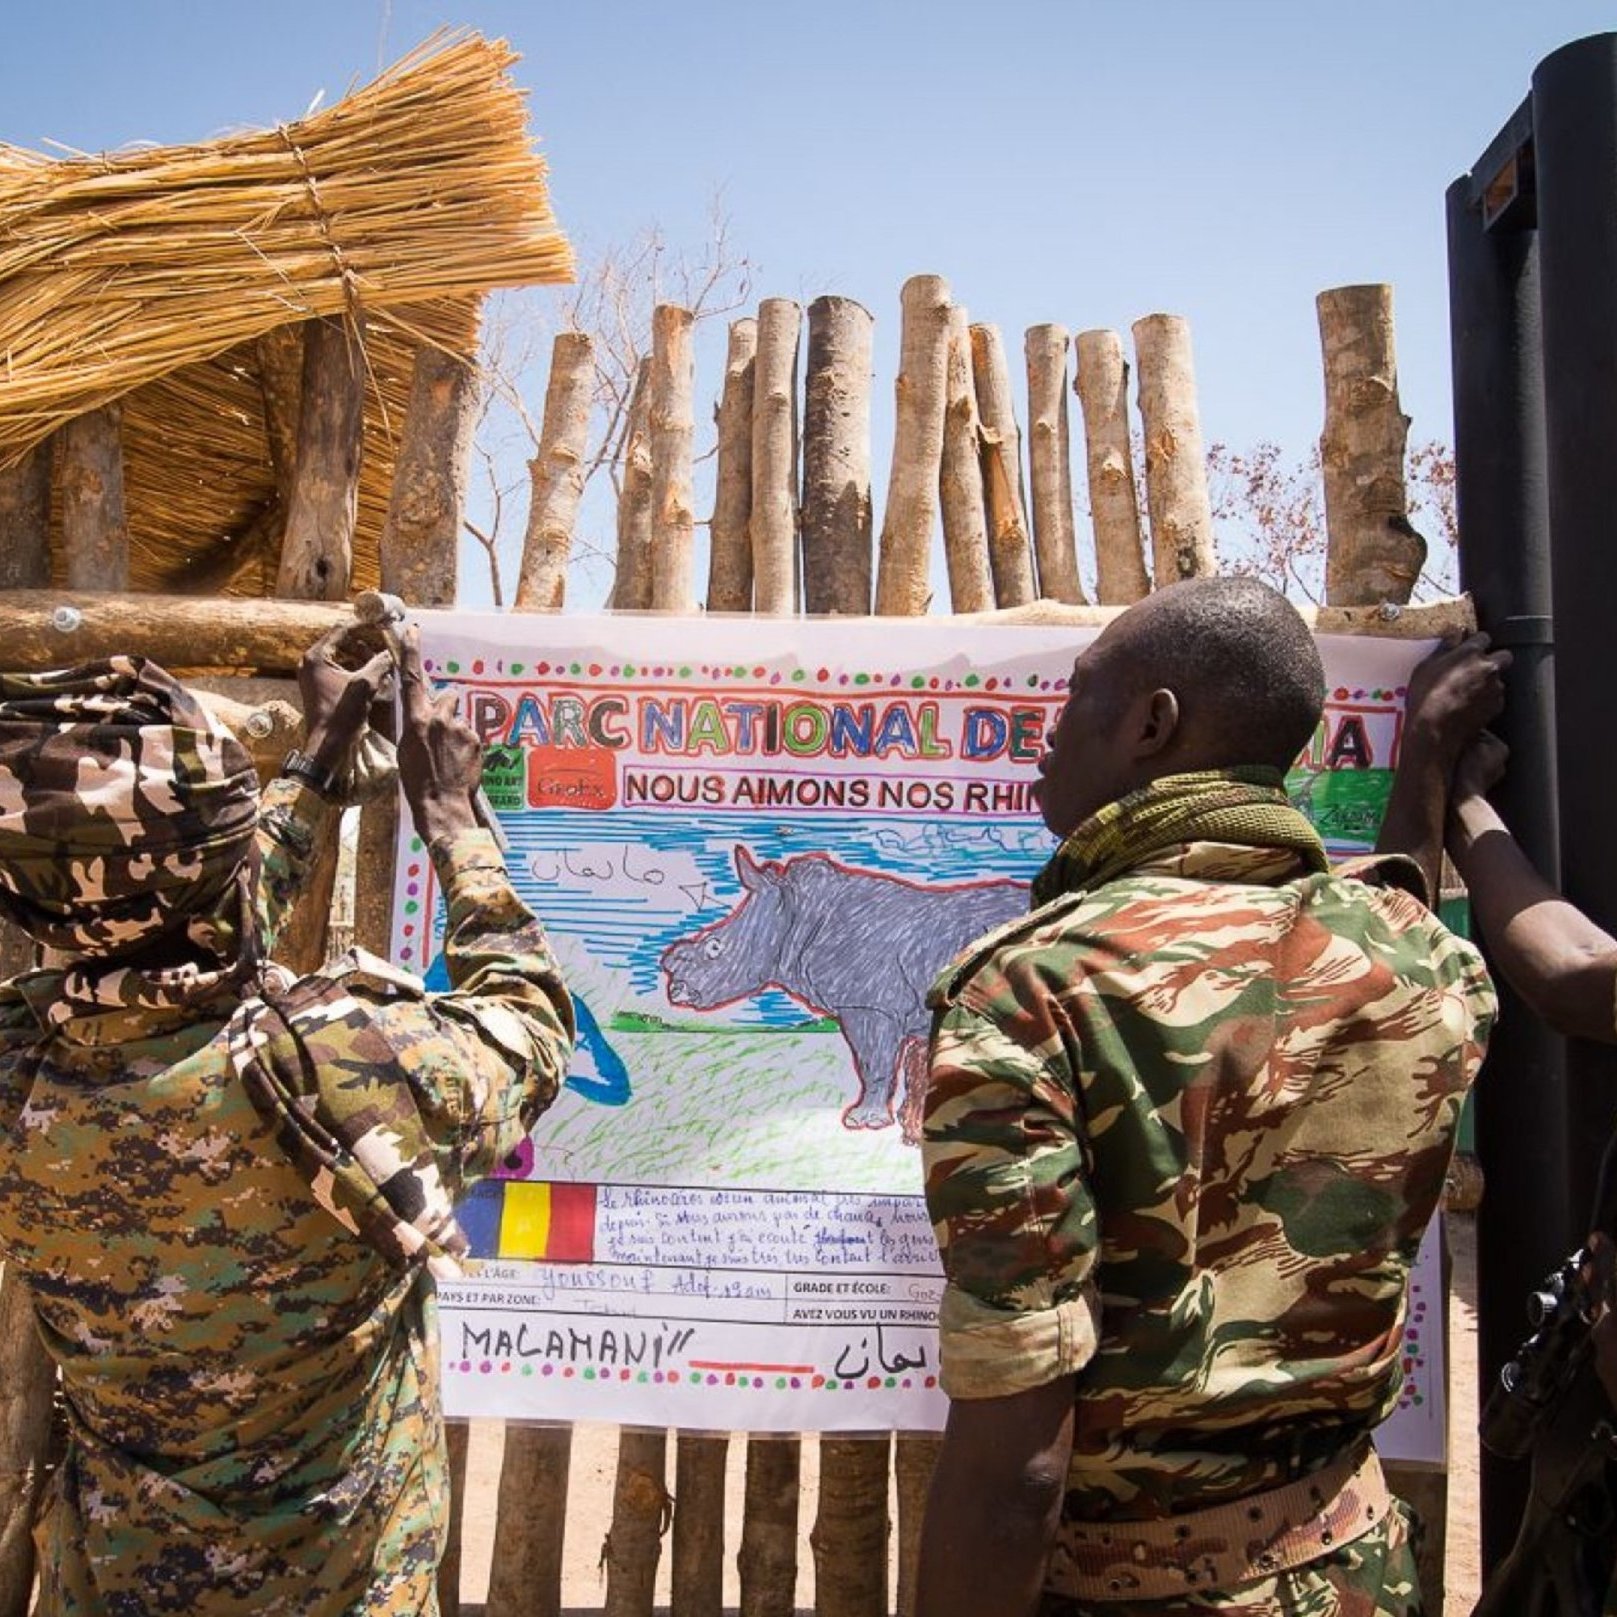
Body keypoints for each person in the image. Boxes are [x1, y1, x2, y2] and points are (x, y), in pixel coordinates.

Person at [915, 577, 1500, 1617]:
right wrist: (1427, 766)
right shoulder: (1424, 962)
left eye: (1077, 699)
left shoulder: (1032, 994)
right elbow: (1386, 901)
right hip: (1359, 1571)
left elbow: (1020, 1469)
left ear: (1152, 724)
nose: (1049, 738)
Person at [0, 626, 574, 1615]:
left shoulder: (22, 1072)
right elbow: (531, 1022)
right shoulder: (345, 1072)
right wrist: (454, 827)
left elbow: (162, 933)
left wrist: (310, 770)